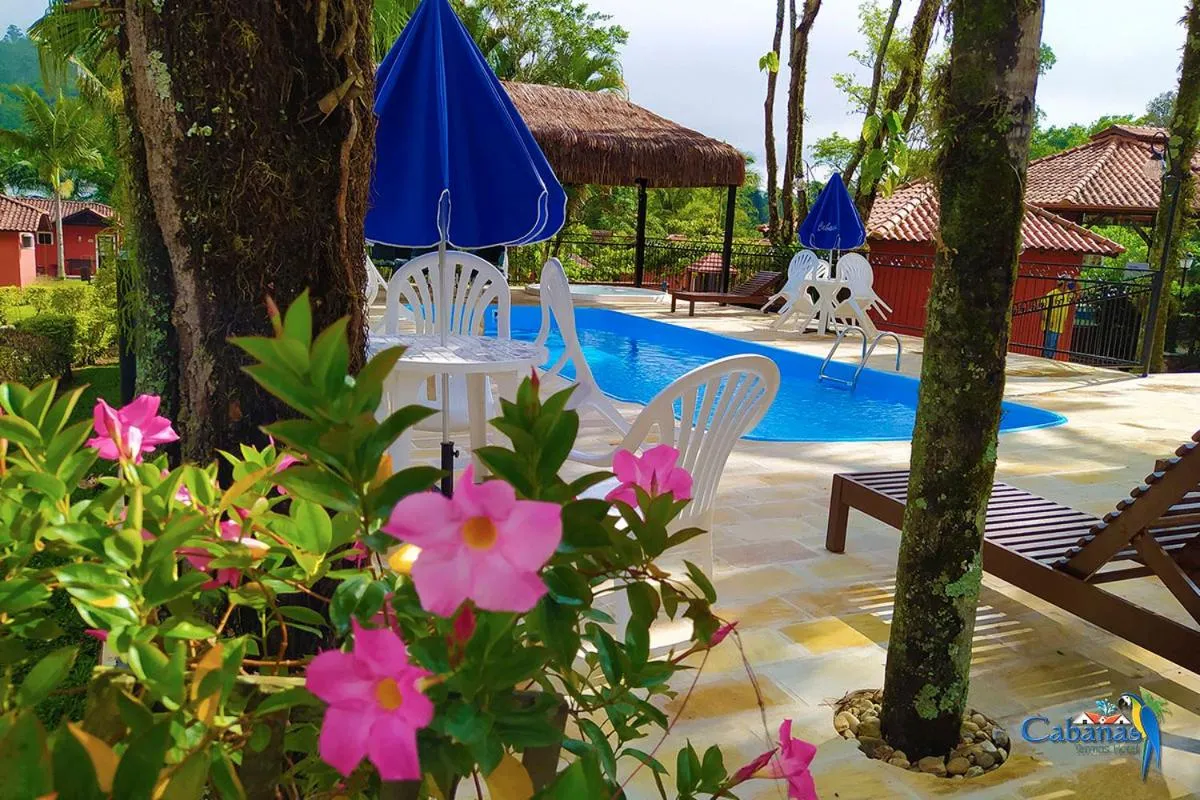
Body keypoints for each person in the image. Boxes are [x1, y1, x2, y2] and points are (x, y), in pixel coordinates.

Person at [1040, 276, 1074, 358]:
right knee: (1049, 344)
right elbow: (1042, 305)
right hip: (1050, 324)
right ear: (1063, 283)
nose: (1069, 284)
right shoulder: (1053, 293)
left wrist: (1078, 282)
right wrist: (1046, 319)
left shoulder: (1068, 294)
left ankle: (1050, 359)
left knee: (1054, 345)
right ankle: (1046, 359)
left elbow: (1078, 295)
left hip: (1059, 324)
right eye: (1068, 282)